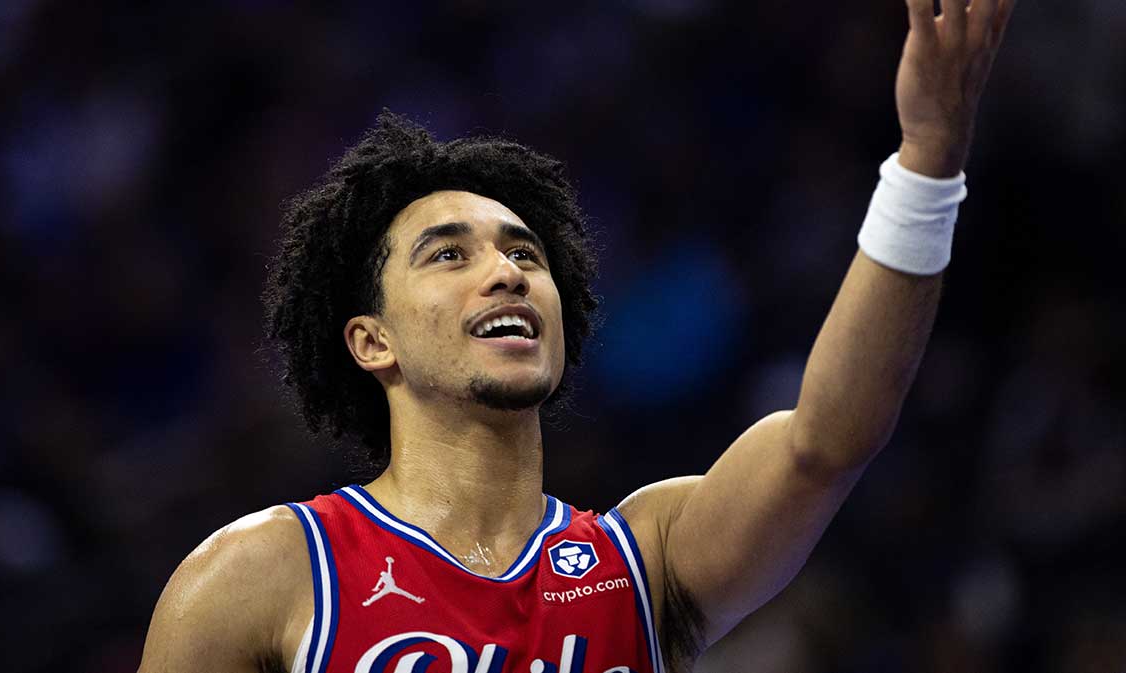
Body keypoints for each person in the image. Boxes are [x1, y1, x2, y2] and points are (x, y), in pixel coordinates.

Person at [137, 1, 1016, 671]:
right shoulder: (254, 578)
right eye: (449, 255)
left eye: (525, 252)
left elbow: (828, 442)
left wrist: (928, 159)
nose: (508, 271)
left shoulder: (647, 556)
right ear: (373, 341)